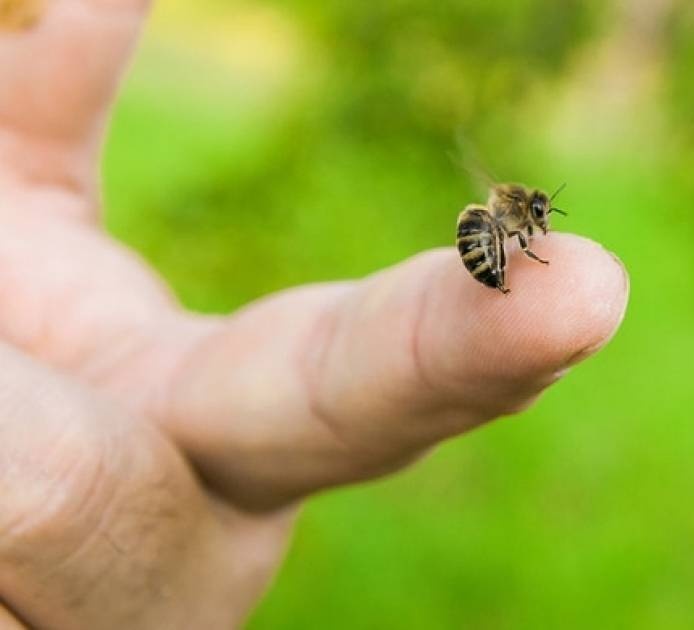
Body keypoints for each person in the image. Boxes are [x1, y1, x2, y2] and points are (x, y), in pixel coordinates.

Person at [0, 1, 628, 627]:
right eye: (539, 219)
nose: (541, 226)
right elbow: (498, 227)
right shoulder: (508, 218)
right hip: (483, 248)